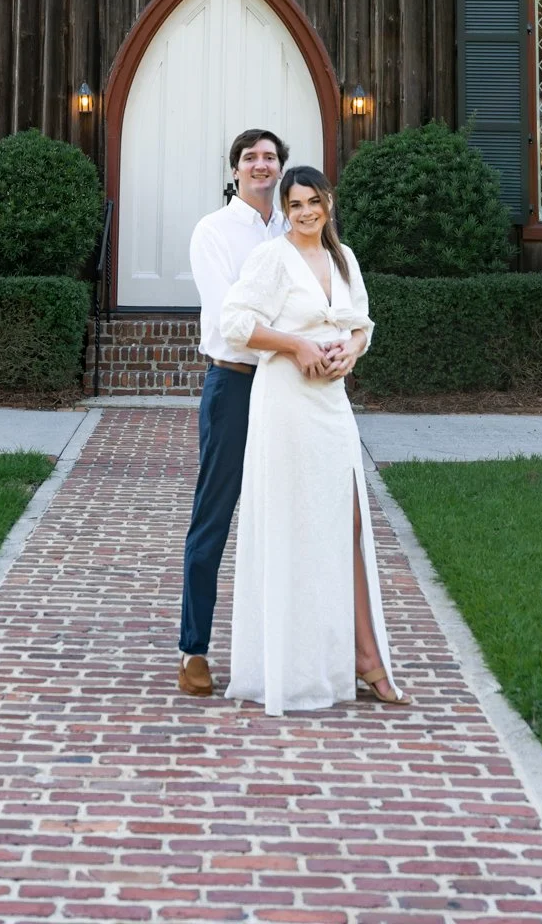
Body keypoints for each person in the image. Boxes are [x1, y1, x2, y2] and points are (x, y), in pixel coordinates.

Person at [219, 165, 405, 715]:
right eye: (295, 204)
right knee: (294, 523)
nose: (306, 212)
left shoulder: (344, 258)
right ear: (286, 210)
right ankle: (330, 662)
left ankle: (359, 654)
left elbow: (361, 323)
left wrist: (351, 350)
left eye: (313, 201)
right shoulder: (271, 259)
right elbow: (235, 323)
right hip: (285, 403)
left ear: (328, 202)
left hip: (331, 405)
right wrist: (296, 346)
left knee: (348, 522)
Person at [177, 126, 289, 697]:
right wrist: (293, 341)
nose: (261, 165)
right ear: (236, 169)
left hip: (290, 388)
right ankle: (193, 650)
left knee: (289, 517)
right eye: (251, 157)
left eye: (270, 157)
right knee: (214, 516)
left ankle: (284, 647)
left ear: (282, 168)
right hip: (236, 384)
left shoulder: (295, 228)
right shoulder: (214, 231)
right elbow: (229, 319)